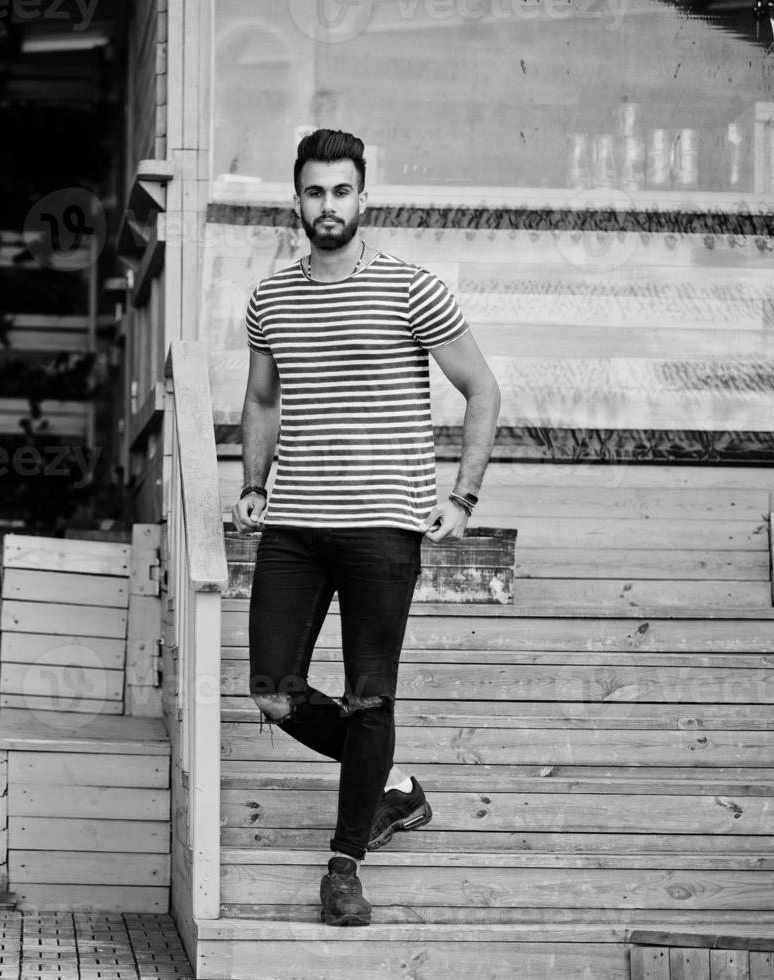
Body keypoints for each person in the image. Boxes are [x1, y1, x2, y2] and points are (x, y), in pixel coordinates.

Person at [232, 128, 500, 927]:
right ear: (297, 200)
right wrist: (251, 481)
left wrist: (463, 496)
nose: (327, 205)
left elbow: (480, 389)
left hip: (383, 526)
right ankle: (392, 786)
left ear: (362, 196)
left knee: (366, 699)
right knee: (273, 693)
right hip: (294, 524)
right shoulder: (270, 297)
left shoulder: (412, 289)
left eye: (340, 190)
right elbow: (261, 399)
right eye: (313, 192)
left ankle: (343, 866)